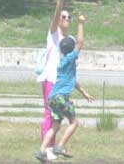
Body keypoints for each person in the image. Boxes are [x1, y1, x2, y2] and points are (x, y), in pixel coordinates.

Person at [36, 14, 94, 162]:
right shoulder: (70, 59)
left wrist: (84, 92)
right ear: (71, 51)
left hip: (53, 98)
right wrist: (81, 23)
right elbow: (80, 42)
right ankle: (59, 146)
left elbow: (73, 81)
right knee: (74, 122)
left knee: (55, 126)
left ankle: (42, 150)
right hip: (61, 98)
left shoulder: (61, 65)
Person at [36, 0, 72, 160]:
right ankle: (47, 149)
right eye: (63, 17)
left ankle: (53, 147)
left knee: (59, 117)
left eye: (68, 17)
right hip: (50, 79)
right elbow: (57, 13)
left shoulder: (70, 40)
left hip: (63, 82)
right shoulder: (53, 35)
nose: (65, 19)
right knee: (50, 114)